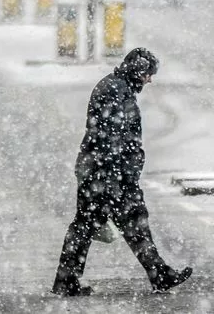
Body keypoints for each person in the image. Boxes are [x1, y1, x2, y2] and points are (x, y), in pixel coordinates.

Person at [52, 47, 194, 296]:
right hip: (106, 175)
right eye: (148, 74)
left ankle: (68, 281)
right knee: (110, 223)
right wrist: (117, 180)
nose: (150, 79)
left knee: (103, 224)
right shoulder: (115, 91)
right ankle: (158, 275)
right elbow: (111, 140)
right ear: (139, 71)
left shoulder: (118, 88)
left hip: (102, 173)